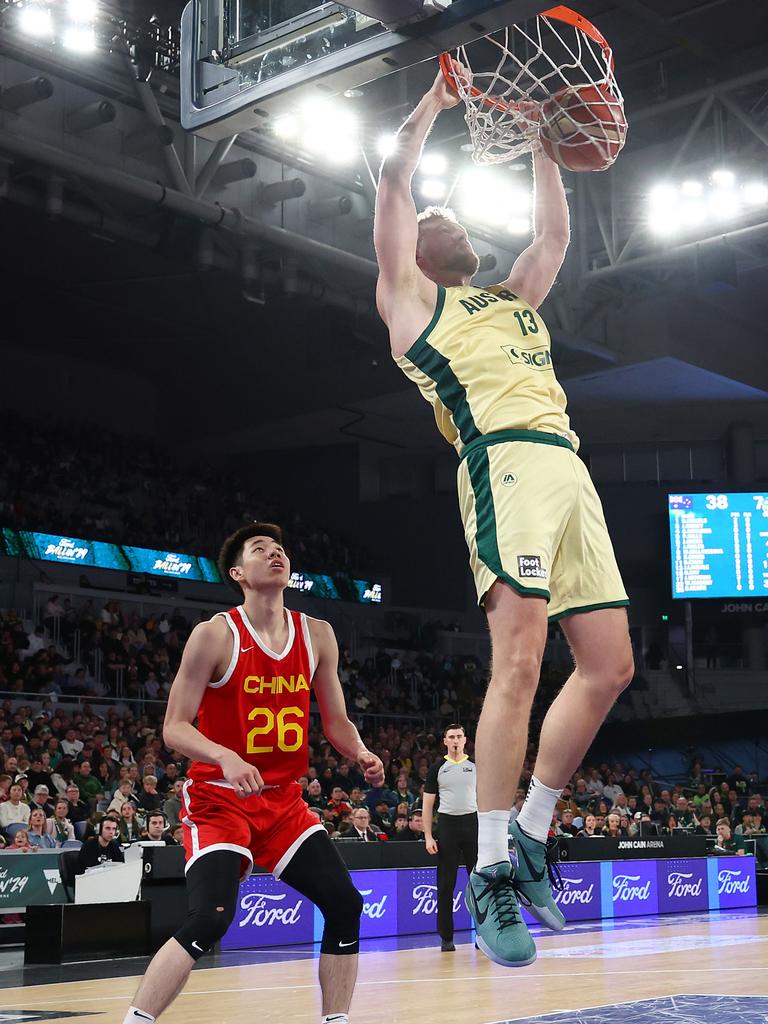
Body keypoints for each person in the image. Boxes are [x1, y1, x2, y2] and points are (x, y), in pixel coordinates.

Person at [374, 60, 632, 968]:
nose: (459, 223)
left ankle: (529, 829)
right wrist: (435, 105)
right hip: (502, 463)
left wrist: (544, 145)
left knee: (608, 666)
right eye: (445, 222)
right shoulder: (413, 304)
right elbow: (397, 179)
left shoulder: (511, 299)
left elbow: (554, 236)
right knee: (519, 659)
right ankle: (485, 868)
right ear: (413, 249)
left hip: (568, 465)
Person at [121, 523, 384, 1024]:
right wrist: (224, 755)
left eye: (280, 549)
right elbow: (174, 727)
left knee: (345, 904)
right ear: (239, 573)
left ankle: (336, 1020)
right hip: (219, 798)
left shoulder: (318, 634)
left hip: (283, 802)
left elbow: (336, 722)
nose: (275, 554)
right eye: (260, 550)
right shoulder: (215, 634)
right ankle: (136, 1020)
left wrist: (361, 752)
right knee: (209, 917)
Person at [422, 724, 478, 953]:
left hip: (473, 825)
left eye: (459, 736)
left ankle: (484, 935)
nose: (455, 740)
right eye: (451, 737)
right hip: (447, 826)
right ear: (444, 741)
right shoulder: (437, 768)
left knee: (479, 884)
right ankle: (446, 938)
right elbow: (427, 805)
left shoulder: (476, 766)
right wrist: (428, 836)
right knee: (446, 885)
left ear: (465, 740)